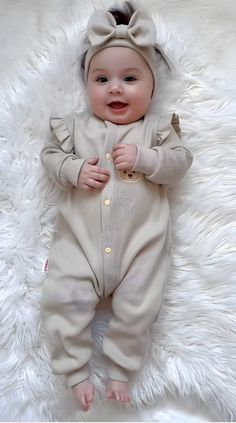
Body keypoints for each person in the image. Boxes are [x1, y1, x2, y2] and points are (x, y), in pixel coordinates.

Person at [40, 0, 193, 412]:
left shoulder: (156, 130)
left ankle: (121, 367)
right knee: (63, 295)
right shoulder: (74, 127)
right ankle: (72, 369)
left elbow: (180, 164)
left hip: (139, 249)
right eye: (102, 78)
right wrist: (72, 169)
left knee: (141, 303)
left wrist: (147, 160)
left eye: (130, 78)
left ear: (152, 89)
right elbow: (49, 157)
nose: (115, 88)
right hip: (81, 246)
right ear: (87, 84)